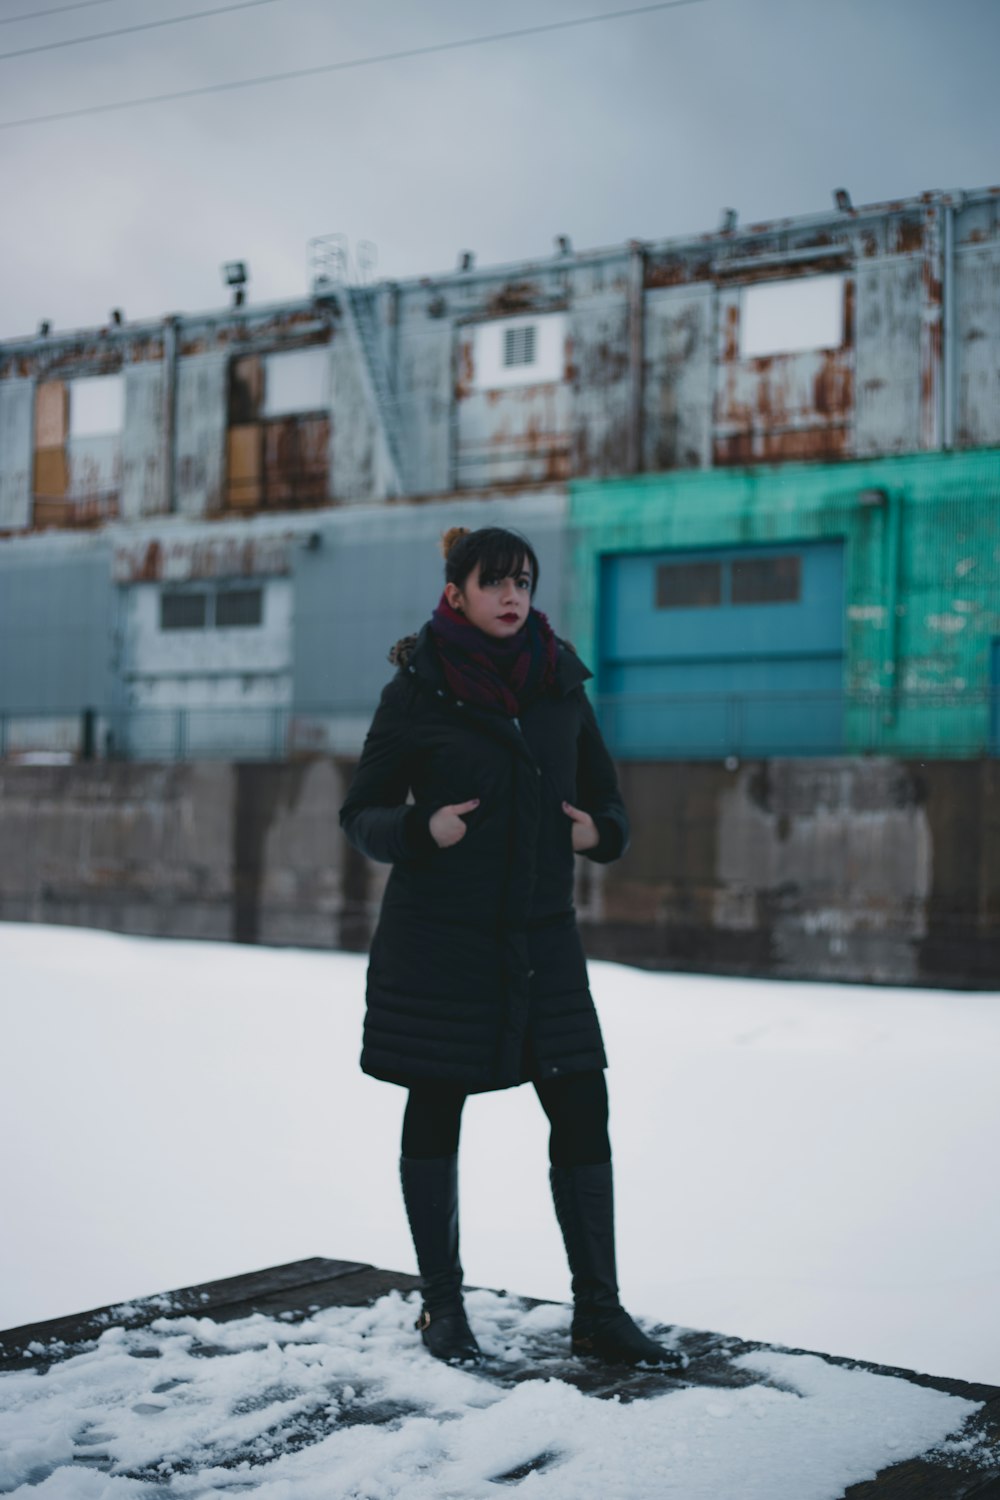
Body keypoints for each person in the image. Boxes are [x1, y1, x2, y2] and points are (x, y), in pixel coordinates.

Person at [339, 525, 680, 1370]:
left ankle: (599, 1312)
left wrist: (599, 831)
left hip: (542, 941)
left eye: (522, 580)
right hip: (440, 942)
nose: (512, 595)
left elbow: (608, 800)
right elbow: (362, 815)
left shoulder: (560, 683)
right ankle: (443, 1310)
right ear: (455, 591)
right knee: (437, 1103)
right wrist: (423, 827)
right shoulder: (417, 689)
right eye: (494, 581)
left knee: (582, 1106)